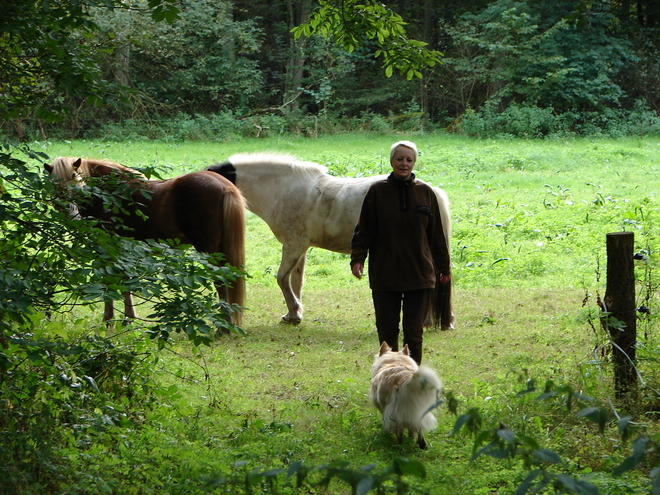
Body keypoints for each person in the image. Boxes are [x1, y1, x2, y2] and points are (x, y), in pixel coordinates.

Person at [350, 141, 451, 365]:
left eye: (409, 160)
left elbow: (436, 235)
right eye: (399, 159)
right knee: (387, 334)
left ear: (414, 163)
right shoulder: (377, 191)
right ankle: (388, 376)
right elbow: (364, 228)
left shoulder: (426, 192)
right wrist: (358, 258)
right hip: (385, 274)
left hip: (419, 275)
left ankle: (411, 381)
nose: (404, 164)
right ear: (391, 161)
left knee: (414, 335)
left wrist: (444, 268)